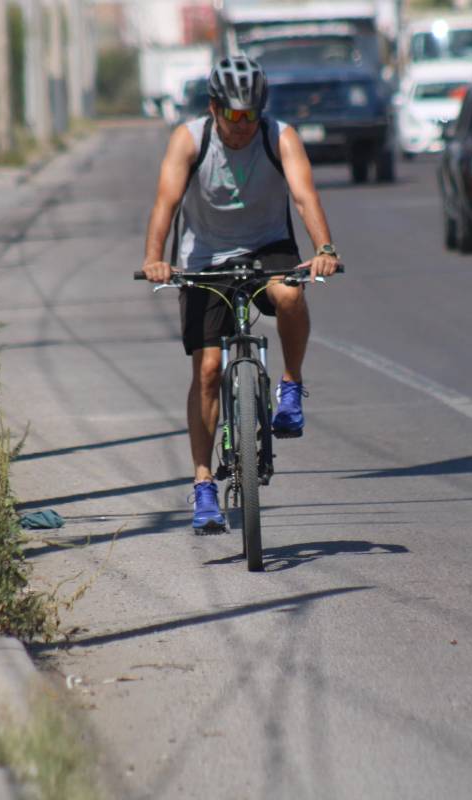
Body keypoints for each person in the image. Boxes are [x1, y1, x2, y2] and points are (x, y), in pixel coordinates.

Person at [139, 54, 342, 533]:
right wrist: (155, 257)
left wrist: (325, 248)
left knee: (291, 296)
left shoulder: (280, 137)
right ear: (213, 109)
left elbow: (304, 195)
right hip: (205, 257)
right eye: (232, 114)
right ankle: (204, 483)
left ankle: (290, 386)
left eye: (250, 114)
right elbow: (165, 204)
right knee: (208, 370)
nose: (241, 126)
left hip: (268, 244)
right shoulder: (190, 140)